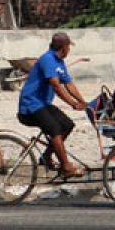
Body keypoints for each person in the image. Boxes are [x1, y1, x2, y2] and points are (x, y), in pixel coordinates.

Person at [17, 32, 86, 178]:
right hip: (31, 105)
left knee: (67, 125)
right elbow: (56, 85)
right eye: (68, 46)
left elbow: (68, 83)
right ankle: (66, 167)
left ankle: (46, 157)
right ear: (64, 47)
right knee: (55, 128)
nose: (69, 50)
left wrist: (83, 101)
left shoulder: (59, 62)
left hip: (43, 104)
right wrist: (73, 103)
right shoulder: (47, 59)